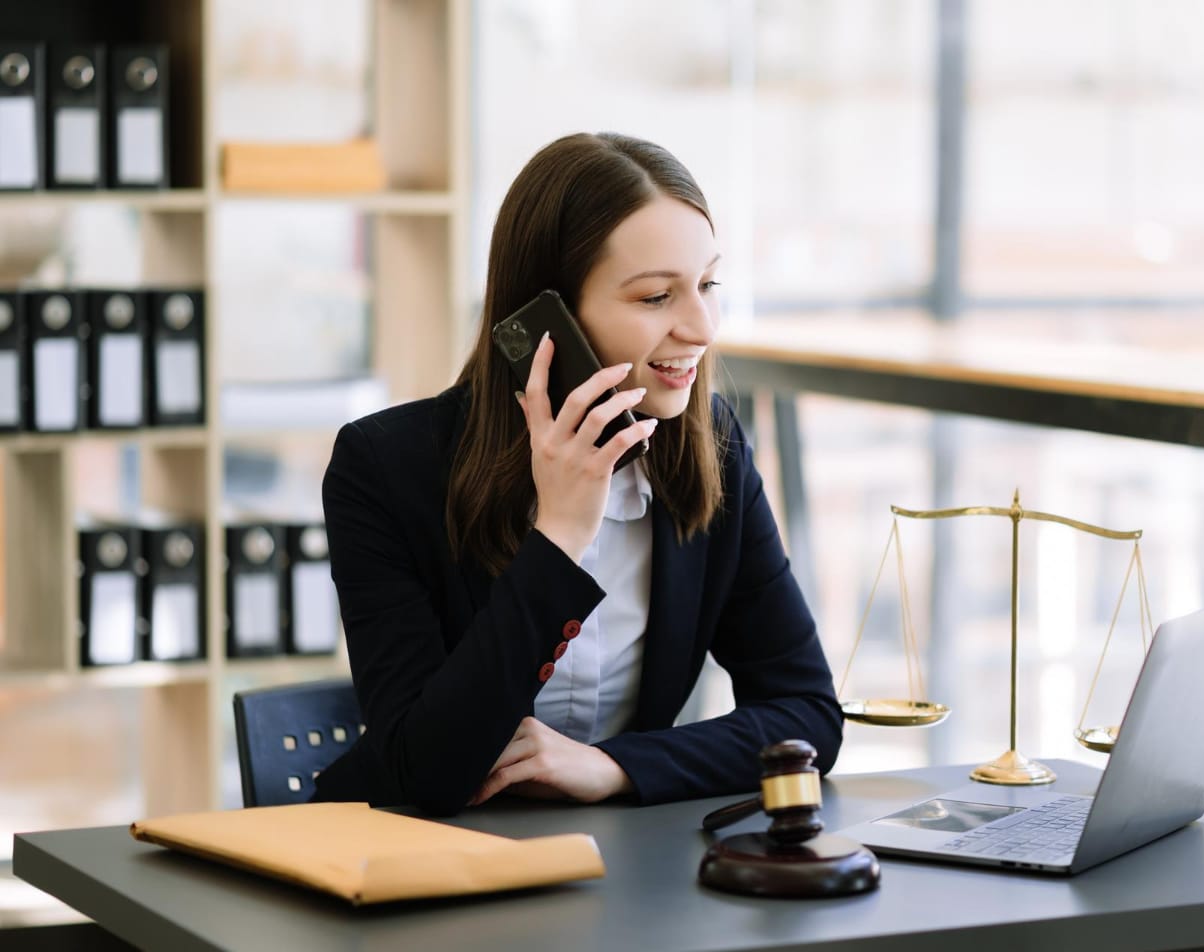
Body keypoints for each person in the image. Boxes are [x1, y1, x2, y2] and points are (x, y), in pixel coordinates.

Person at [311, 132, 843, 815]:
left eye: (707, 285)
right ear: (546, 320)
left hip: (622, 875)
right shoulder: (384, 468)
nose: (702, 327)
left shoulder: (712, 449)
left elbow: (807, 717)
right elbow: (423, 772)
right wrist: (558, 536)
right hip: (424, 869)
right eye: (656, 298)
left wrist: (613, 767)